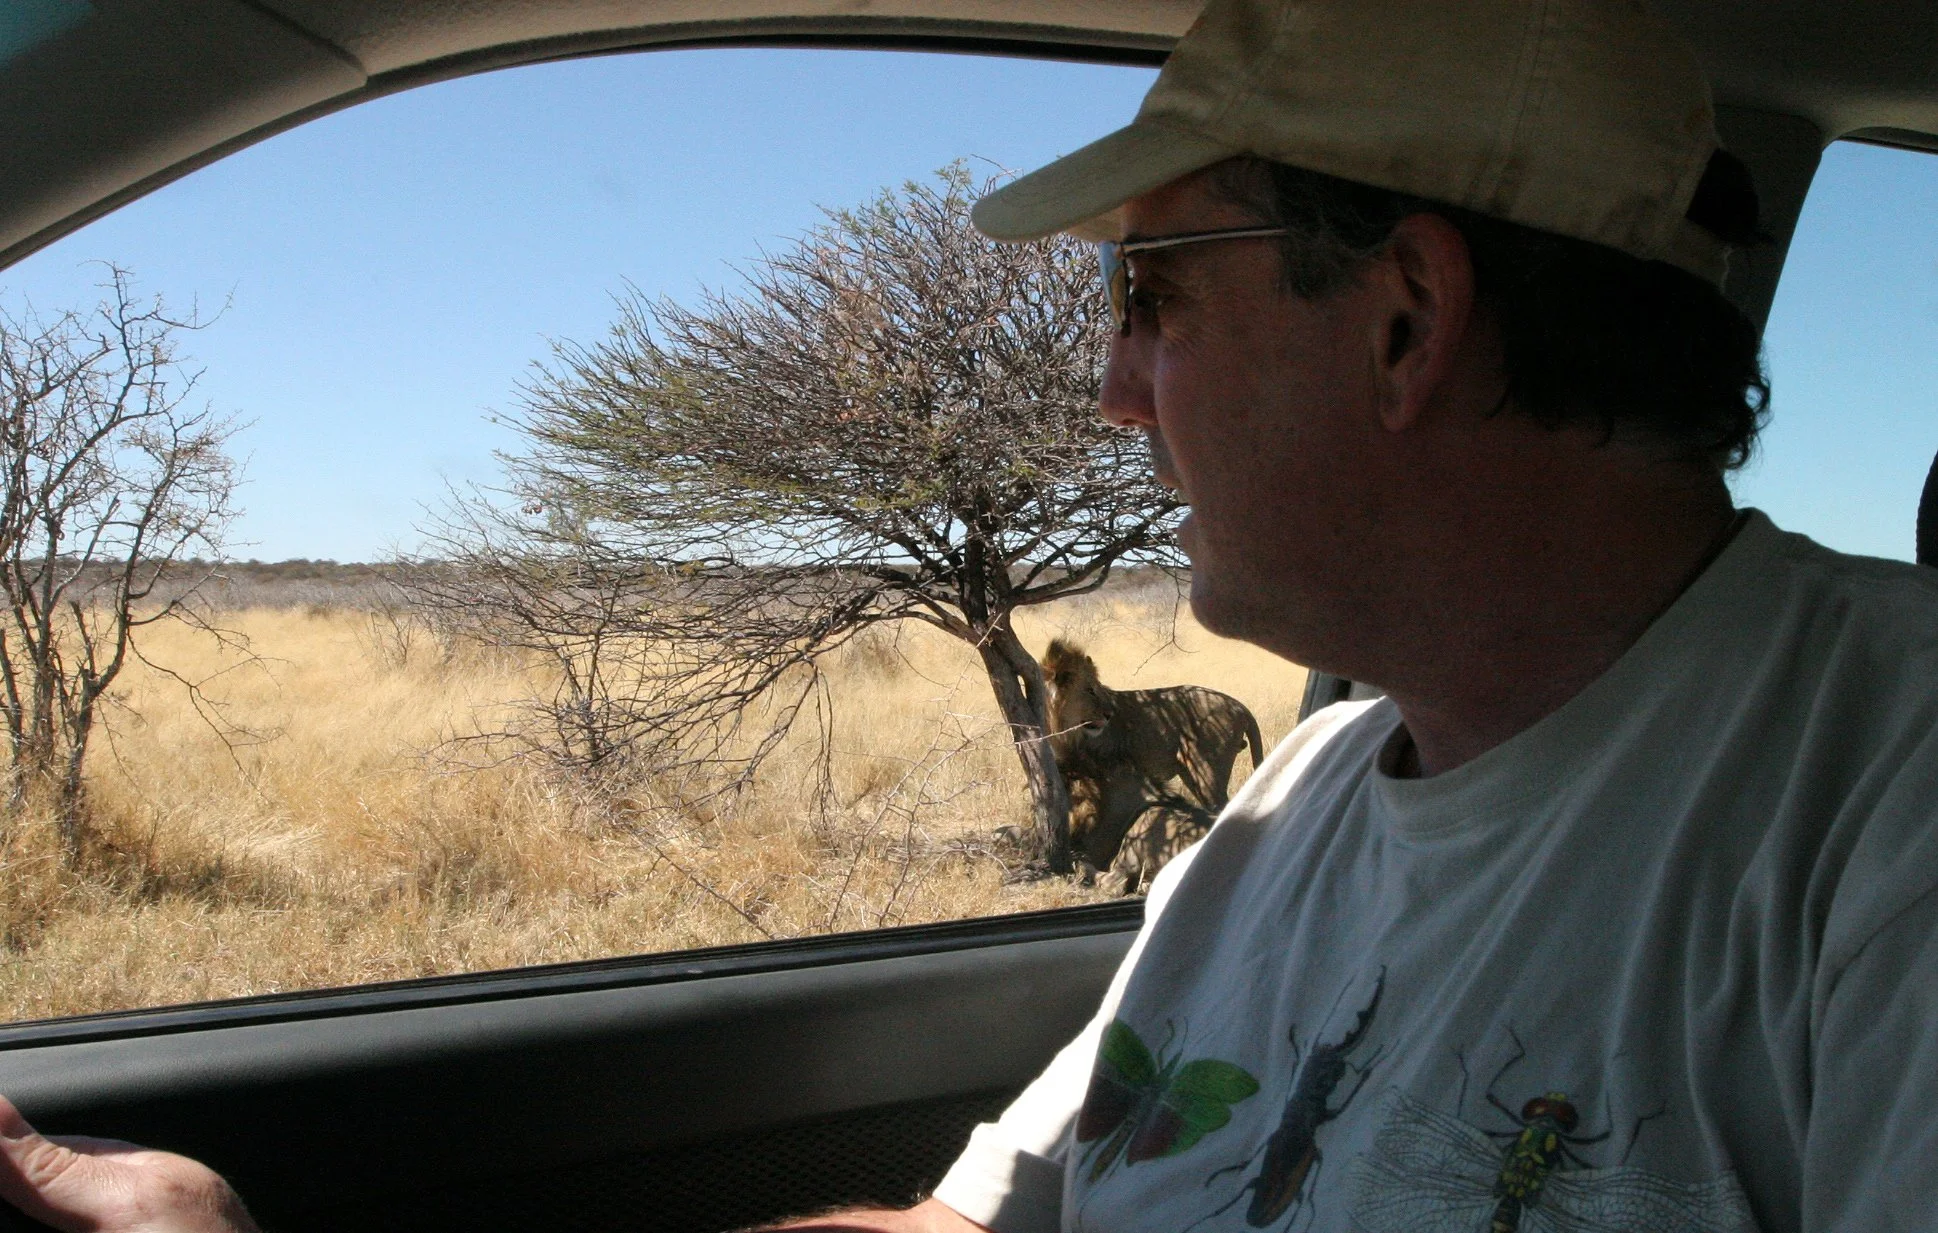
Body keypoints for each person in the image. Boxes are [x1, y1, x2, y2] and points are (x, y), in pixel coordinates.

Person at [2, 0, 1935, 1229]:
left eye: (1156, 292)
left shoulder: (1879, 801)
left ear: (1407, 319)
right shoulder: (1290, 811)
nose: (1113, 386)